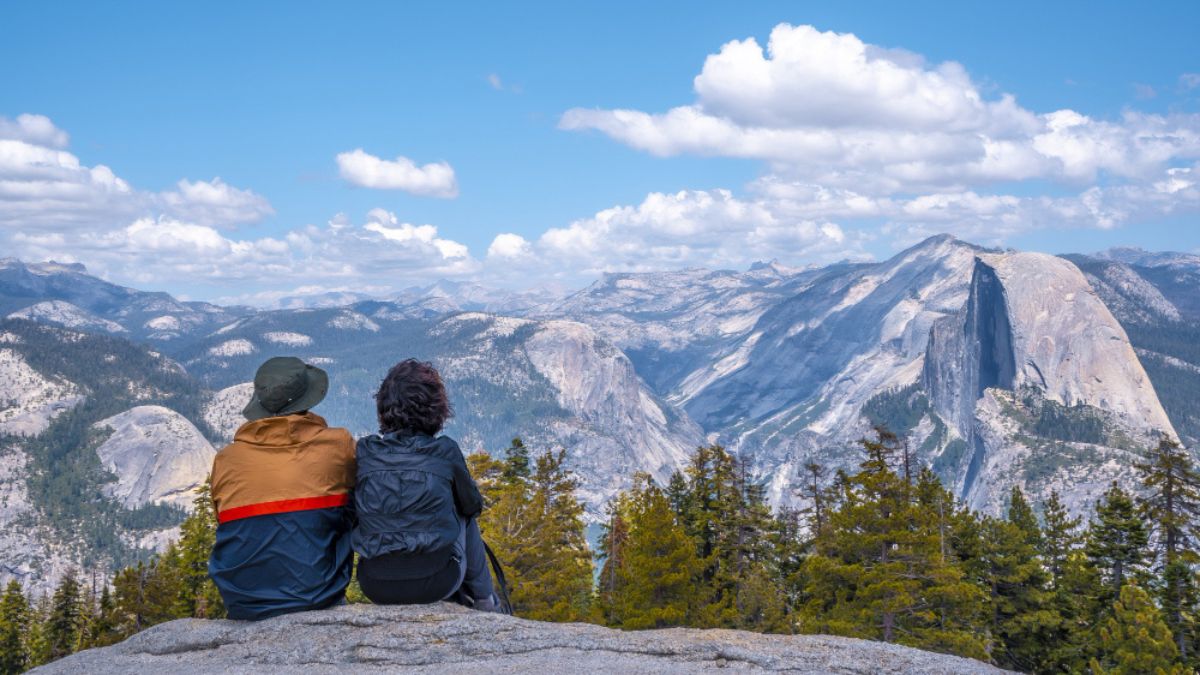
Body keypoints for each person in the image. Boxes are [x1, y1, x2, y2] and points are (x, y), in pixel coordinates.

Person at [208, 356, 356, 620]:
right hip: (318, 596)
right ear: (307, 399)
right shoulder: (339, 446)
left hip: (242, 601)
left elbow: (223, 520)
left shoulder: (226, 460)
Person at [353, 359, 504, 611]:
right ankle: (485, 602)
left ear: (383, 407)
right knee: (464, 512)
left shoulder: (366, 452)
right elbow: (473, 506)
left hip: (375, 582)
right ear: (436, 409)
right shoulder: (445, 451)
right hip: (438, 580)